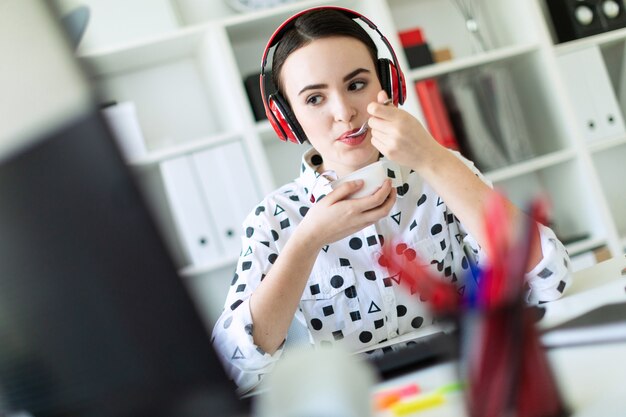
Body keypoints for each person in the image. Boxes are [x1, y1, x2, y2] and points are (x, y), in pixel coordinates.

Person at [211, 6, 572, 394]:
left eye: (356, 85)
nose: (344, 112)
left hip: (472, 385)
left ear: (388, 85)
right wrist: (307, 240)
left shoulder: (441, 170)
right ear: (288, 117)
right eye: (315, 99)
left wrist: (433, 157)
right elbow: (233, 368)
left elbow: (552, 279)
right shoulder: (276, 218)